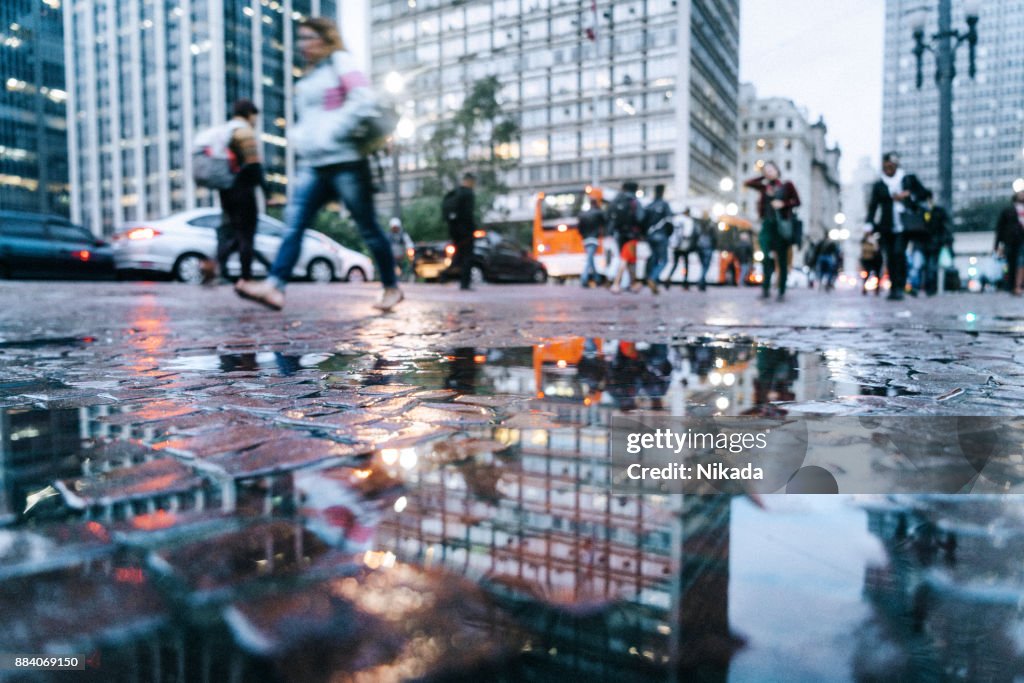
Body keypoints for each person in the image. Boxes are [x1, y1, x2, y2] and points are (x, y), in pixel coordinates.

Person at [236, 17, 402, 311]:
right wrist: (301, 138)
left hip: (346, 161)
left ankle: (391, 287)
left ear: (326, 39)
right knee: (294, 225)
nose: (303, 45)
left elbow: (363, 99)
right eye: (300, 39)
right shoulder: (311, 76)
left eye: (309, 37)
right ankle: (275, 286)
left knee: (368, 228)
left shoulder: (341, 62)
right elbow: (310, 120)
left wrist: (333, 134)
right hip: (315, 163)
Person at [199, 99, 269, 286]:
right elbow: (255, 164)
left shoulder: (224, 131)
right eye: (255, 116)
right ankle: (245, 278)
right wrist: (267, 194)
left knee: (232, 232)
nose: (255, 120)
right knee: (247, 234)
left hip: (226, 191)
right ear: (249, 114)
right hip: (243, 190)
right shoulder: (244, 132)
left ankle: (211, 265)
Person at [865, 152, 929, 301]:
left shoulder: (907, 179)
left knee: (899, 254)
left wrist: (908, 195)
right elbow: (873, 206)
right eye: (885, 166)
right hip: (886, 227)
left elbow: (925, 194)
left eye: (891, 165)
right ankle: (894, 287)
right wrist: (868, 226)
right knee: (890, 257)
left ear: (896, 165)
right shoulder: (879, 184)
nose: (888, 168)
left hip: (905, 226)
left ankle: (900, 286)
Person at [745, 161, 801, 301]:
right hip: (767, 225)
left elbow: (797, 201)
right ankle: (765, 288)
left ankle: (781, 290)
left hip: (781, 227)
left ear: (777, 170)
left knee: (782, 260)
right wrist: (762, 177)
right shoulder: (764, 187)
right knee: (765, 257)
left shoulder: (786, 185)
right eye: (765, 170)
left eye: (771, 169)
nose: (768, 171)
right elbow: (748, 183)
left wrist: (783, 204)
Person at [607, 181, 644, 294]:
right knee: (625, 259)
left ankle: (633, 284)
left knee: (629, 259)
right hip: (631, 234)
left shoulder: (615, 200)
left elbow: (608, 216)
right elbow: (640, 218)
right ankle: (616, 284)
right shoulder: (634, 201)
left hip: (618, 234)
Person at [445, 172, 478, 290]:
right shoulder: (468, 194)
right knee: (467, 257)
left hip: (454, 230)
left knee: (458, 255)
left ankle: (444, 276)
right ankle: (465, 283)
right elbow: (468, 214)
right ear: (470, 181)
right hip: (465, 231)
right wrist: (473, 228)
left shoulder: (454, 193)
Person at [642, 184, 673, 293]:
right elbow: (670, 222)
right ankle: (653, 278)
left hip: (650, 236)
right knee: (664, 260)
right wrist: (668, 235)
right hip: (661, 235)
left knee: (654, 258)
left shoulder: (649, 205)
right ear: (663, 192)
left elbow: (643, 221)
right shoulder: (665, 205)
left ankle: (654, 282)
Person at [993, 186, 1024, 296]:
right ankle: (1014, 286)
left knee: (1020, 262)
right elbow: (1000, 228)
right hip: (1012, 241)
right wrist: (997, 245)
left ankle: (1017, 286)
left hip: (1021, 241)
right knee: (1013, 263)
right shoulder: (1008, 210)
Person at [919, 191, 950, 296]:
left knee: (931, 266)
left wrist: (945, 241)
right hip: (926, 244)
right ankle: (929, 288)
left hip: (935, 243)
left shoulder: (938, 212)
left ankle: (931, 288)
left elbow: (944, 227)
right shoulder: (923, 212)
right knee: (927, 266)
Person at [578, 190, 606, 288]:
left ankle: (596, 278)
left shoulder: (583, 214)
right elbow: (604, 223)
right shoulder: (599, 213)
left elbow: (579, 228)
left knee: (590, 258)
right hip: (594, 238)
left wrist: (583, 236)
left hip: (585, 239)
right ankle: (584, 278)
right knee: (589, 259)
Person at [665, 208, 695, 289]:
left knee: (675, 264)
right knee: (686, 265)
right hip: (684, 245)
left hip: (675, 244)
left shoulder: (676, 218)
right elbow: (688, 234)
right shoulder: (688, 221)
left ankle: (668, 278)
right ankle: (685, 283)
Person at [692, 211, 717, 292]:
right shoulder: (711, 224)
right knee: (706, 266)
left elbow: (695, 235)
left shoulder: (698, 223)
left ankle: (703, 283)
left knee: (703, 266)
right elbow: (715, 237)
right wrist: (714, 246)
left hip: (699, 246)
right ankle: (701, 282)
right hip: (708, 246)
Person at [387, 217, 414, 282]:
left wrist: (409, 248)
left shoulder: (403, 235)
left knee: (408, 265)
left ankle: (407, 276)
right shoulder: (388, 236)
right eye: (394, 227)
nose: (395, 229)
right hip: (392, 257)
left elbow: (409, 243)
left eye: (396, 227)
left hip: (402, 257)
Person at [859, 229, 883, 296]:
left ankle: (877, 289)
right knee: (867, 274)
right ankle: (865, 288)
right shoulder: (865, 241)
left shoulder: (877, 239)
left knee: (877, 274)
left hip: (877, 259)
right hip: (868, 260)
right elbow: (865, 249)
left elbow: (878, 249)